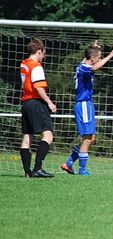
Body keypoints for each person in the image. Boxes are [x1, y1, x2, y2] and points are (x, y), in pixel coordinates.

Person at [60, 41, 113, 176]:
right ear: (92, 58)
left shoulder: (82, 65)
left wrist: (95, 48)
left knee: (91, 138)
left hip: (87, 104)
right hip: (84, 104)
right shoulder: (85, 68)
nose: (98, 60)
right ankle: (82, 170)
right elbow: (94, 67)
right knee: (87, 138)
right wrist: (109, 56)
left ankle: (68, 163)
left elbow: (89, 60)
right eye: (97, 58)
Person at [19, 38, 57, 178]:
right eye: (43, 53)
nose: (44, 57)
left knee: (27, 136)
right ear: (39, 51)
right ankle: (37, 168)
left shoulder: (24, 64)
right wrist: (49, 102)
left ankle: (27, 171)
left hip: (26, 103)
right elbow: (38, 87)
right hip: (36, 103)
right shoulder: (36, 66)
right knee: (48, 135)